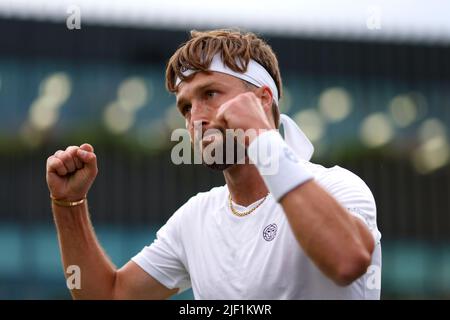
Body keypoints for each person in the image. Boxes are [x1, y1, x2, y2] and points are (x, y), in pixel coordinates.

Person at [46, 29, 381, 300]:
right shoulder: (196, 217)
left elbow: (347, 259)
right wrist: (69, 204)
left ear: (264, 100)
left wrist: (261, 134)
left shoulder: (337, 186)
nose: (196, 119)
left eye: (209, 94)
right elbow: (109, 296)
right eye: (186, 107)